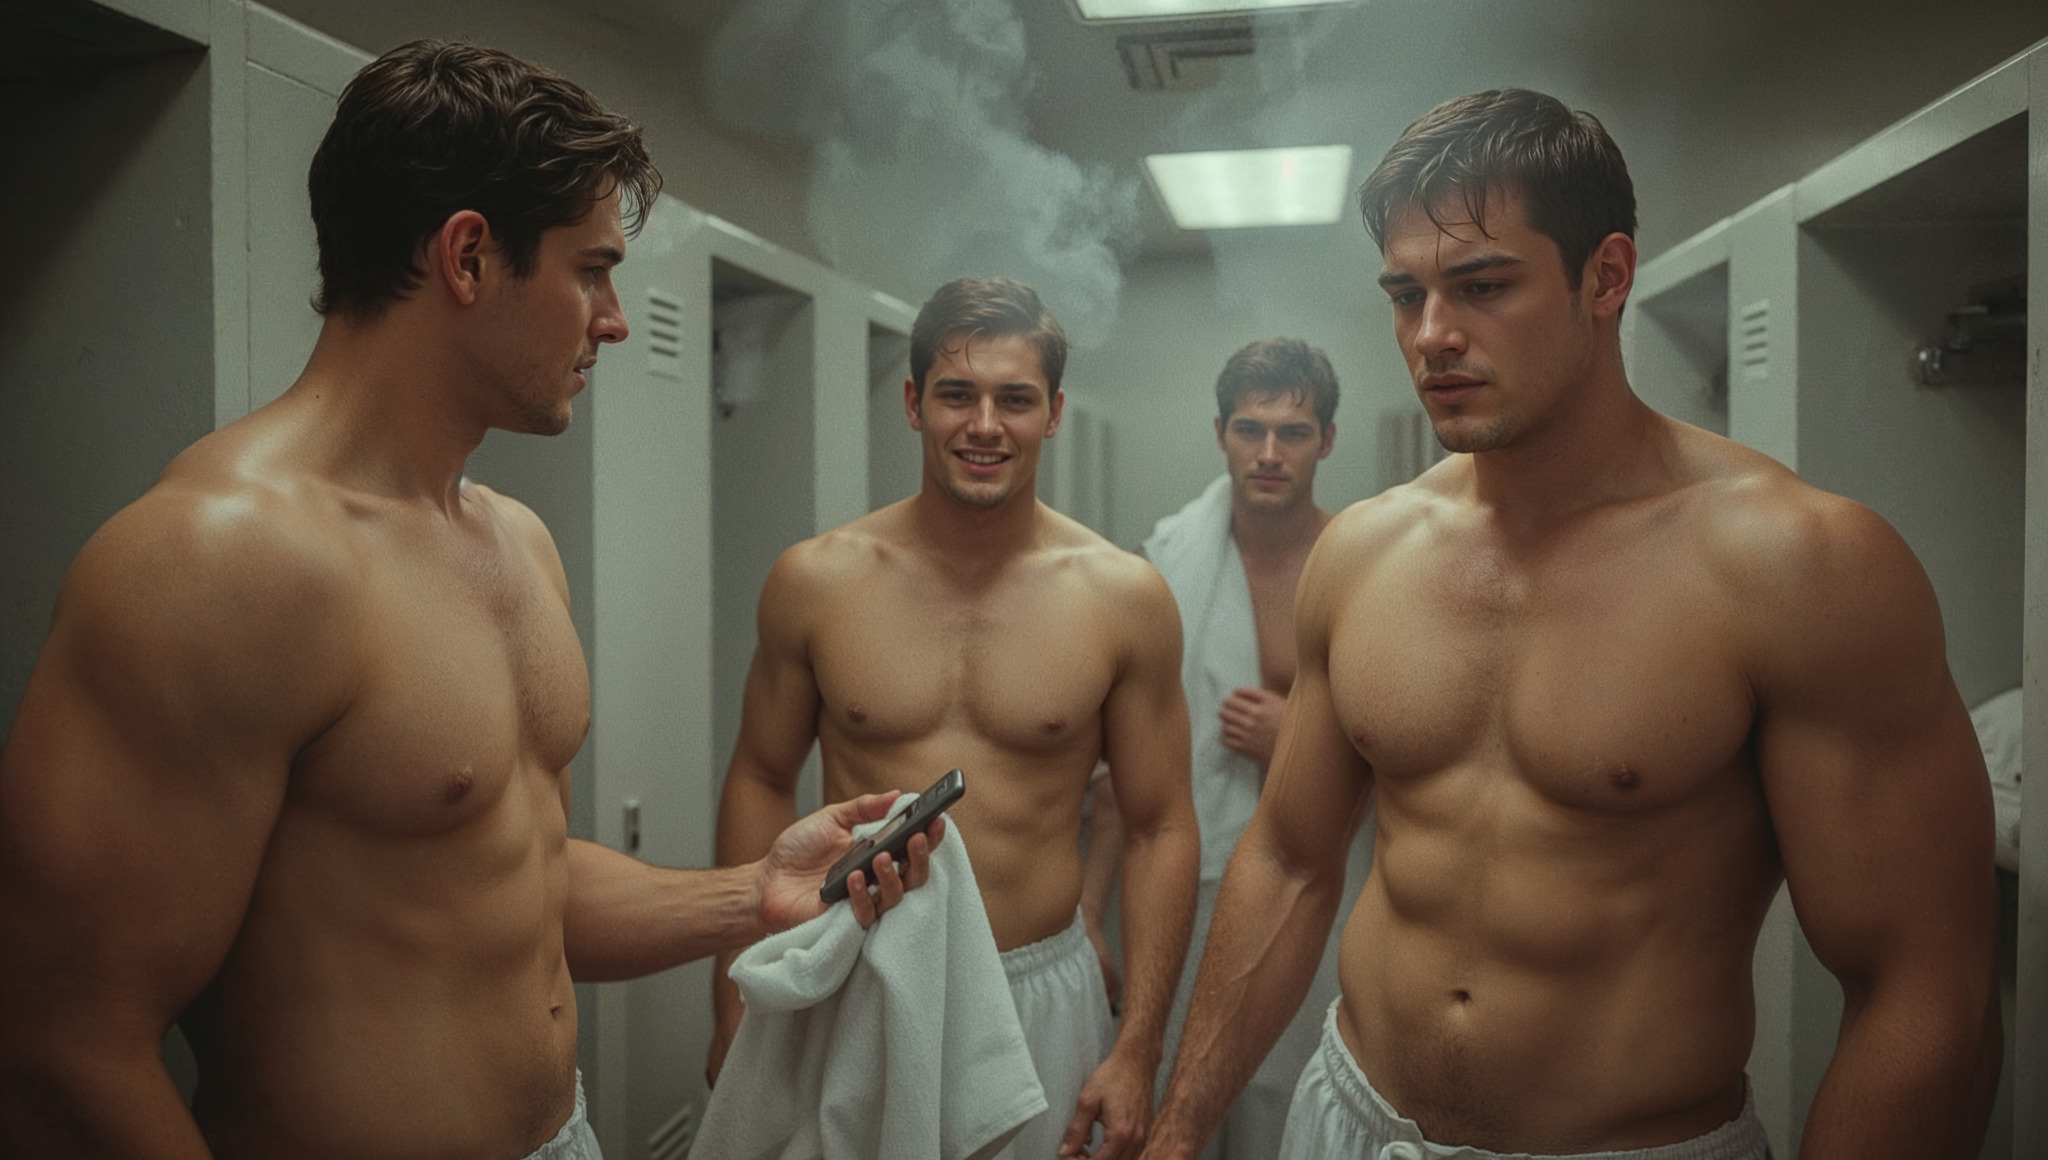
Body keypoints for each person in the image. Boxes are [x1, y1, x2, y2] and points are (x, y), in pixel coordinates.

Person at [0, 41, 934, 1160]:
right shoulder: (221, 561)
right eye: (591, 270)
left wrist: (753, 893)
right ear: (469, 255)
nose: (615, 319)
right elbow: (64, 1041)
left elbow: (512, 879)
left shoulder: (514, 540)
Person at [1140, 88, 2001, 1160]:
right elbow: (1289, 857)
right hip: (1346, 1120)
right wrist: (1180, 1123)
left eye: (1482, 285)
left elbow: (1923, 984)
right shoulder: (1363, 552)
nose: (1430, 335)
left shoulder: (1799, 567)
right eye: (1405, 294)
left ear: (1606, 276)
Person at [710, 275, 1199, 1160]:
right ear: (913, 404)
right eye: (957, 395)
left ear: (1053, 414)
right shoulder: (817, 581)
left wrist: (1140, 1045)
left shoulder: (1122, 598)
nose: (984, 425)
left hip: (1039, 990)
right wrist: (734, 997)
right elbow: (760, 777)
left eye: (1015, 399)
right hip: (857, 971)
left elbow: (1159, 826)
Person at [1085, 338, 1373, 1159]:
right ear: (1220, 433)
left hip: (1322, 892)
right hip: (1191, 889)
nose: (1270, 453)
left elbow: (1424, 753)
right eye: (1251, 429)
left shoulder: (1365, 571)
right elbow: (1121, 771)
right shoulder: (1165, 568)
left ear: (1328, 440)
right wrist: (1088, 913)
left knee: (1293, 1107)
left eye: (1294, 432)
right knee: (1175, 1097)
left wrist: (1303, 740)